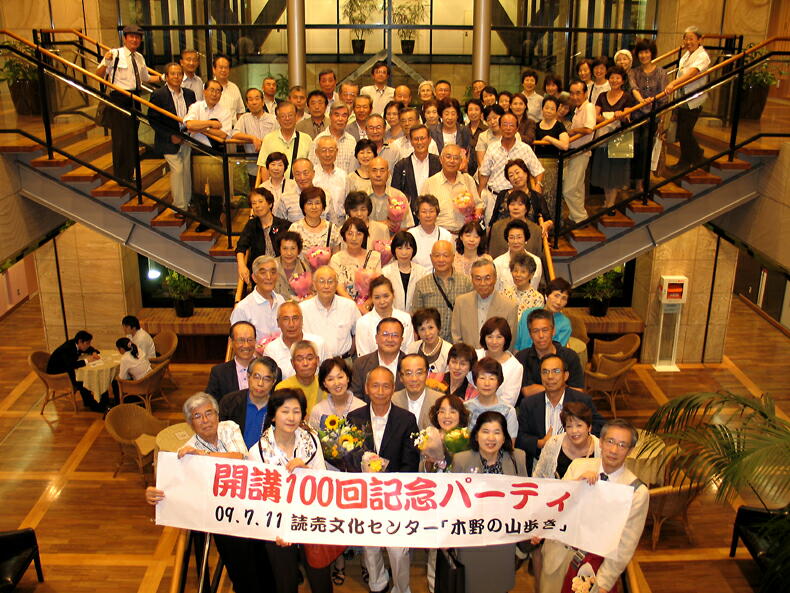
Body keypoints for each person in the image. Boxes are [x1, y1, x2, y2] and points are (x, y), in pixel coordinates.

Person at [146, 393, 268, 593]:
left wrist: (203, 456)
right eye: (197, 416)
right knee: (240, 567)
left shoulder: (229, 428)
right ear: (190, 423)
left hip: (250, 506)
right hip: (222, 517)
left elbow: (239, 458)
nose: (205, 420)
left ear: (217, 415)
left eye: (209, 413)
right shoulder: (187, 450)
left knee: (263, 560)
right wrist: (155, 493)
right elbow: (178, 489)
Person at [539, 419, 649, 593]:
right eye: (610, 441)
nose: (614, 450)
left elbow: (625, 544)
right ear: (601, 442)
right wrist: (576, 485)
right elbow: (555, 507)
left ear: (630, 450)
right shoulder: (579, 466)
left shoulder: (636, 491)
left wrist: (604, 583)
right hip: (558, 556)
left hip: (595, 568)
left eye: (622, 445)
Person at [248, 388, 333, 593]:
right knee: (285, 583)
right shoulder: (257, 452)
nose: (291, 417)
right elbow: (259, 500)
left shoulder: (311, 440)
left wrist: (306, 470)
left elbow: (323, 481)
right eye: (285, 411)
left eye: (296, 411)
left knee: (321, 581)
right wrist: (278, 530)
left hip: (310, 519)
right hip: (277, 525)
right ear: (273, 415)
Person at [347, 366, 419, 593]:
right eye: (375, 386)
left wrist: (393, 488)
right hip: (365, 495)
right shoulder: (354, 417)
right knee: (370, 546)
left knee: (398, 550)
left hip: (396, 495)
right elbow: (349, 457)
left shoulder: (406, 419)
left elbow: (410, 461)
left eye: (386, 386)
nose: (380, 391)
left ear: (393, 388)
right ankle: (377, 583)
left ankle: (401, 588)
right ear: (366, 388)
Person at [451, 411, 528, 593]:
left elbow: (527, 498)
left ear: (504, 437)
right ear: (476, 435)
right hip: (471, 537)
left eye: (497, 432)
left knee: (499, 584)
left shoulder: (518, 458)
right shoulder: (461, 460)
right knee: (471, 584)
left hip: (503, 539)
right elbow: (453, 502)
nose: (491, 438)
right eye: (485, 431)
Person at [516, 353, 604, 472]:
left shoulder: (581, 400)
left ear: (565, 375)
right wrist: (540, 443)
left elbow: (599, 426)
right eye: (545, 372)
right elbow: (520, 437)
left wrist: (579, 438)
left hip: (578, 462)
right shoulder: (529, 404)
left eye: (556, 371)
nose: (550, 376)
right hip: (542, 462)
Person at [96, 25, 151, 182]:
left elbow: (145, 78)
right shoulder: (115, 54)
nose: (134, 40)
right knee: (121, 138)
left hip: (135, 98)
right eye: (131, 36)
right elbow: (98, 74)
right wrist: (106, 61)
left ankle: (130, 173)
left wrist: (163, 78)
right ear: (125, 38)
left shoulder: (139, 57)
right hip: (119, 98)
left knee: (132, 138)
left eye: (137, 37)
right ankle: (121, 176)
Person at [183, 79, 234, 231]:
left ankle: (215, 218)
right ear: (204, 91)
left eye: (218, 91)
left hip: (216, 152)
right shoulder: (196, 107)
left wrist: (200, 127)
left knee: (217, 188)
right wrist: (210, 124)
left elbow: (223, 135)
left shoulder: (225, 112)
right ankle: (203, 219)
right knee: (198, 188)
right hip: (198, 151)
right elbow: (189, 124)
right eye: (212, 90)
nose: (214, 94)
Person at [148, 62, 196, 216]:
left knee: (187, 171)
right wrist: (170, 136)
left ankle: (187, 202)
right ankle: (179, 207)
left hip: (187, 137)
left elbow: (194, 115)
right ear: (166, 77)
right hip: (168, 141)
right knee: (178, 170)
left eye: (179, 74)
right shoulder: (158, 95)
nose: (176, 77)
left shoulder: (189, 94)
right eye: (173, 74)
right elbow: (153, 120)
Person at [665, 26, 711, 173]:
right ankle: (685, 161)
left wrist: (673, 83)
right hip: (682, 98)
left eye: (691, 39)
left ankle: (699, 158)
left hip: (694, 99)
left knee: (685, 132)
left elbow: (692, 73)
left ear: (700, 40)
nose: (688, 42)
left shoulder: (702, 56)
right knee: (682, 132)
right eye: (686, 39)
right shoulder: (686, 55)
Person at [592, 65, 637, 208]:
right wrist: (610, 117)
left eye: (618, 78)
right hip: (604, 136)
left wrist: (620, 115)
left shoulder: (627, 97)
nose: (614, 80)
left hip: (621, 137)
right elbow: (595, 116)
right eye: (612, 77)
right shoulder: (602, 96)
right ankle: (607, 200)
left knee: (616, 172)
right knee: (605, 170)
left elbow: (627, 117)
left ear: (623, 81)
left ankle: (611, 202)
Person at [411, 240, 472, 343]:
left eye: (445, 255)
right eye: (437, 255)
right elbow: (417, 318)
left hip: (459, 343)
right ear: (431, 258)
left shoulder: (466, 283)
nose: (441, 259)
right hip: (431, 343)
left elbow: (470, 315)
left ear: (453, 257)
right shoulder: (422, 285)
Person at [516, 309, 585, 398]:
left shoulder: (570, 356)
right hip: (532, 406)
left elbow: (578, 392)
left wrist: (541, 388)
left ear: (553, 331)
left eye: (545, 330)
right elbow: (527, 391)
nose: (541, 336)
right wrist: (562, 388)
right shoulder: (522, 357)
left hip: (565, 406)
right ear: (530, 334)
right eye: (535, 331)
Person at [630, 37, 669, 192]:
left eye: (646, 52)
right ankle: (632, 180)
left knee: (645, 150)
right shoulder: (634, 72)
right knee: (634, 149)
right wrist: (642, 101)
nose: (643, 55)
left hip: (653, 117)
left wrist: (662, 122)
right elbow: (634, 88)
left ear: (652, 53)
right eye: (641, 52)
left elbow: (664, 98)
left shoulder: (661, 73)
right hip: (636, 117)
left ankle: (641, 183)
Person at [478, 112, 544, 204]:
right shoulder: (492, 148)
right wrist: (479, 197)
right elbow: (484, 175)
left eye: (511, 125)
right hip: (494, 197)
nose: (508, 128)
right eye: (505, 125)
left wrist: (538, 185)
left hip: (518, 200)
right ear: (500, 127)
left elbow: (538, 171)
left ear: (517, 128)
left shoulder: (525, 149)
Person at [451, 258, 518, 346]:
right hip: (467, 354)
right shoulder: (461, 303)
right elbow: (456, 337)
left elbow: (510, 343)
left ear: (495, 278)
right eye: (478, 279)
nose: (483, 283)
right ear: (472, 279)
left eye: (487, 278)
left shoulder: (510, 307)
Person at [219, 356, 281, 448]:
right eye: (256, 377)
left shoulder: (278, 407)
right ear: (248, 377)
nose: (260, 383)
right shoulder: (229, 402)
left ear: (273, 382)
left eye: (266, 379)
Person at [300, 266, 361, 358]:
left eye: (330, 281)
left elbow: (360, 330)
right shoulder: (303, 308)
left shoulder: (349, 306)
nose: (326, 286)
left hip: (343, 360)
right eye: (321, 281)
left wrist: (352, 348)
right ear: (314, 284)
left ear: (336, 284)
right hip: (314, 362)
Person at [420, 144, 482, 234]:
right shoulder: (430, 183)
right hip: (439, 234)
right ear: (441, 159)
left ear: (461, 161)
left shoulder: (468, 180)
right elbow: (422, 211)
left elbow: (479, 205)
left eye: (456, 158)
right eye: (448, 157)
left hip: (464, 235)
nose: (452, 161)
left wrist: (474, 219)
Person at [236, 187, 290, 285]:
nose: (257, 206)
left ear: (270, 204)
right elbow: (241, 247)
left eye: (260, 201)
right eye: (254, 203)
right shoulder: (251, 225)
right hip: (260, 273)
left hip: (281, 272)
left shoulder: (284, 225)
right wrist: (242, 266)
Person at [533, 401, 601, 479]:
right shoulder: (553, 443)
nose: (574, 431)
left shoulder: (600, 448)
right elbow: (538, 476)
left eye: (579, 425)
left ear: (589, 427)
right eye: (569, 426)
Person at [562, 79, 597, 224]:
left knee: (569, 189)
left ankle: (580, 218)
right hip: (575, 152)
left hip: (581, 152)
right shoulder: (578, 109)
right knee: (577, 188)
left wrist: (573, 131)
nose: (575, 96)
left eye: (578, 93)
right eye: (572, 93)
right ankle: (575, 216)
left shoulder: (588, 107)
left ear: (585, 93)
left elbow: (589, 128)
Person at [263, 302, 326, 380]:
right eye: (286, 319)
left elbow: (329, 375)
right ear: (278, 323)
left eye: (295, 318)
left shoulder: (318, 343)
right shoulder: (271, 350)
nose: (291, 324)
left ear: (302, 320)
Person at [355, 276, 414, 357]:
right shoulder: (363, 322)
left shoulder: (405, 318)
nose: (382, 301)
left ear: (393, 295)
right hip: (372, 364)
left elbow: (409, 349)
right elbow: (363, 355)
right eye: (377, 297)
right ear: (371, 298)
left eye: (386, 296)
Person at [232, 87, 279, 189]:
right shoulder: (244, 118)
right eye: (250, 99)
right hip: (252, 165)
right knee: (255, 192)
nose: (254, 102)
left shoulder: (273, 119)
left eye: (257, 98)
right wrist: (252, 138)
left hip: (271, 165)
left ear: (262, 102)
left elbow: (279, 136)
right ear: (247, 104)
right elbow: (234, 134)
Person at [349, 318, 407, 399]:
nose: (390, 339)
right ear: (376, 338)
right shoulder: (361, 364)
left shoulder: (409, 364)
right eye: (385, 334)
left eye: (395, 335)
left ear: (401, 340)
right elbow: (356, 397)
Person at [230, 255, 285, 342]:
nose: (269, 277)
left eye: (273, 272)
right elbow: (237, 342)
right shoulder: (243, 308)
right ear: (254, 278)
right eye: (263, 273)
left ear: (277, 276)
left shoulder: (281, 300)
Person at [330, 217, 382, 308]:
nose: (354, 238)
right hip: (345, 307)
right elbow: (340, 289)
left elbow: (378, 286)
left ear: (364, 236)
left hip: (369, 308)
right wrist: (356, 308)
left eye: (359, 234)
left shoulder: (374, 256)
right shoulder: (336, 259)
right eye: (350, 234)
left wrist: (366, 305)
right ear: (344, 236)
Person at [46, 330, 104, 412]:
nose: (89, 345)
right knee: (83, 381)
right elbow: (71, 365)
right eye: (87, 343)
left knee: (84, 378)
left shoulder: (75, 344)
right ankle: (93, 405)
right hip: (57, 376)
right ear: (80, 341)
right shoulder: (67, 348)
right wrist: (87, 361)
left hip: (64, 370)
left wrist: (93, 352)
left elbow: (88, 349)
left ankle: (92, 401)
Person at [256, 101, 313, 183]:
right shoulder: (268, 139)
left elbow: (311, 167)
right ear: (277, 119)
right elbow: (264, 167)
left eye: (290, 115)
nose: (287, 119)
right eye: (283, 116)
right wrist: (269, 188)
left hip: (299, 187)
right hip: (276, 187)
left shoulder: (306, 139)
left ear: (296, 116)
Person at [464, 357, 518, 441]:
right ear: (475, 381)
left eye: (492, 378)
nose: (487, 383)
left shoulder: (508, 411)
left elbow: (510, 445)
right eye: (482, 378)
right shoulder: (466, 407)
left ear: (498, 382)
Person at [488, 184, 547, 259]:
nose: (515, 208)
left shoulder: (536, 230)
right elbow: (492, 254)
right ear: (508, 207)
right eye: (512, 204)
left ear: (526, 208)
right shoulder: (497, 227)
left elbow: (537, 256)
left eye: (520, 204)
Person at [533, 96, 570, 216]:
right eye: (546, 107)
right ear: (542, 109)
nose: (549, 111)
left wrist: (549, 138)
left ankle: (552, 221)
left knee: (552, 195)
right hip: (537, 167)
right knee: (538, 195)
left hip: (553, 166)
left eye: (552, 108)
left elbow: (565, 145)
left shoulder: (559, 126)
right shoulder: (536, 125)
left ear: (556, 110)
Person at [474, 317, 523, 407]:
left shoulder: (515, 367)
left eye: (499, 337)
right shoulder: (475, 356)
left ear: (506, 339)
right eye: (490, 337)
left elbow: (508, 402)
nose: (494, 342)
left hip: (497, 413)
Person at [515, 276, 573, 349]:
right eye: (556, 296)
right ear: (546, 295)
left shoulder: (565, 325)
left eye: (564, 298)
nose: (559, 302)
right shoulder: (527, 314)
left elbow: (556, 351)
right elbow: (517, 344)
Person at [391, 125, 442, 208]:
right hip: (409, 213)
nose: (419, 142)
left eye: (422, 138)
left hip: (434, 211)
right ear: (411, 141)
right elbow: (395, 194)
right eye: (416, 139)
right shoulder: (401, 166)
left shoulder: (439, 162)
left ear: (429, 140)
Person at [308, 357, 365, 430]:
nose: (336, 383)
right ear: (324, 384)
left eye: (340, 377)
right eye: (330, 379)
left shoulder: (361, 407)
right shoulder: (318, 411)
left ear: (348, 378)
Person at [206, 321, 257, 400]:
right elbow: (210, 402)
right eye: (241, 340)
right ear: (231, 342)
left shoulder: (268, 369)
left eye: (250, 340)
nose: (246, 345)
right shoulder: (219, 372)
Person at [382, 231, 429, 312]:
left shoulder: (422, 272)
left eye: (408, 248)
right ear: (394, 250)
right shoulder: (385, 272)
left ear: (413, 250)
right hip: (392, 316)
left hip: (416, 317)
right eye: (400, 248)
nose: (404, 253)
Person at [393, 353, 442, 430]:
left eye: (419, 373)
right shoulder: (392, 401)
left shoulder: (440, 401)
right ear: (401, 377)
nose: (414, 379)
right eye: (408, 373)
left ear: (427, 374)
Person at [493, 219, 543, 293]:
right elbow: (495, 291)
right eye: (511, 237)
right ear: (507, 240)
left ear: (526, 239)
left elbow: (534, 288)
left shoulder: (536, 261)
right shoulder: (497, 263)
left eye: (519, 237)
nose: (515, 241)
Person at [274, 340, 324, 412]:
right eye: (299, 359)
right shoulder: (282, 388)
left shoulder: (325, 385)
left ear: (317, 360)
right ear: (292, 363)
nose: (305, 363)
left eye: (310, 358)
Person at [430, 98, 475, 175]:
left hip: (460, 172)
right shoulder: (433, 132)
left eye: (453, 114)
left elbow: (469, 153)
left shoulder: (464, 131)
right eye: (446, 114)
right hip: (438, 174)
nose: (450, 117)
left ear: (457, 115)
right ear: (441, 115)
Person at [288, 187, 342, 251]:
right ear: (303, 206)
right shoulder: (295, 228)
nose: (314, 207)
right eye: (309, 203)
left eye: (317, 203)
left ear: (323, 206)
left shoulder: (332, 229)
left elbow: (336, 255)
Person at [407, 194, 453, 270]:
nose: (428, 215)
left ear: (437, 214)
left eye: (431, 211)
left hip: (439, 275)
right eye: (424, 212)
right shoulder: (410, 235)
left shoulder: (446, 235)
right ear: (417, 215)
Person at [309, 102, 356, 175]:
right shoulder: (319, 140)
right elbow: (311, 167)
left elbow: (353, 171)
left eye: (344, 115)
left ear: (347, 119)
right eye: (337, 115)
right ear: (330, 116)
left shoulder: (352, 141)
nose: (340, 119)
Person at [367, 156, 414, 230]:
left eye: (382, 171)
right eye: (374, 170)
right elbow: (354, 224)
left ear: (388, 174)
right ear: (368, 173)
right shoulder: (361, 197)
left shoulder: (399, 196)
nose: (378, 174)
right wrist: (381, 224)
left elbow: (408, 226)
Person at [407, 308, 452, 378]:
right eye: (422, 329)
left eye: (431, 327)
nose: (427, 333)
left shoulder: (449, 350)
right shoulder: (413, 348)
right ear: (417, 332)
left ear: (438, 328)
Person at [502, 252, 545, 318]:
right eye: (515, 271)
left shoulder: (537, 298)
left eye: (523, 272)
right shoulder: (505, 293)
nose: (518, 275)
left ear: (531, 274)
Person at [262, 152, 301, 222]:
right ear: (267, 167)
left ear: (285, 168)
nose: (276, 168)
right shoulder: (263, 187)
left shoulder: (293, 185)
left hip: (289, 222)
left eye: (280, 165)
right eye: (273, 164)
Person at [273, 231, 312, 301]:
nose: (289, 253)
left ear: (298, 250)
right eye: (285, 248)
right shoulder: (272, 266)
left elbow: (310, 293)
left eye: (293, 248)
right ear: (279, 249)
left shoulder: (305, 268)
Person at [211, 55, 245, 120]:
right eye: (221, 67)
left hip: (233, 125)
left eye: (226, 67)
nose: (223, 70)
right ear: (214, 69)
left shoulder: (234, 88)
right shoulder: (206, 88)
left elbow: (240, 112)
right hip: (214, 125)